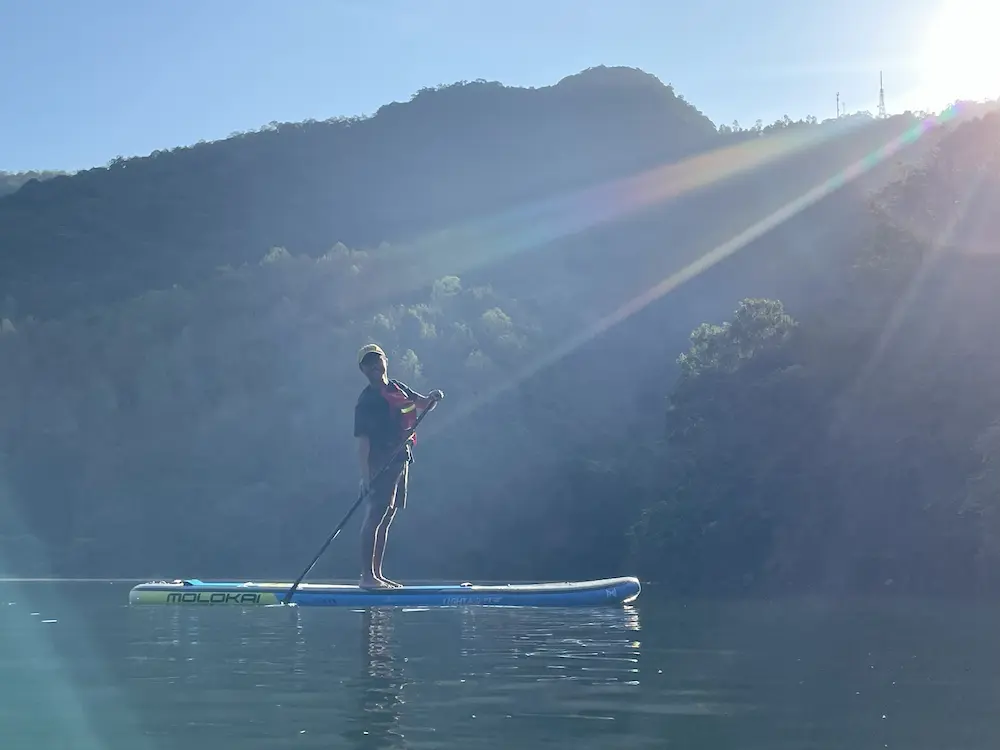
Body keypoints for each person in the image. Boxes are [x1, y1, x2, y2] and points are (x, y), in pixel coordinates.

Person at [353, 343, 444, 589]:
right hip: (380, 461)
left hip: (400, 458)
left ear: (385, 361)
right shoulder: (366, 401)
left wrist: (433, 398)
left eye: (377, 360)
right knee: (375, 515)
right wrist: (365, 477)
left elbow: (423, 404)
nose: (373, 365)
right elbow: (363, 442)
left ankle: (377, 574)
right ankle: (366, 577)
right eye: (368, 363)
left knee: (387, 516)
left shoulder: (398, 388)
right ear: (362, 369)